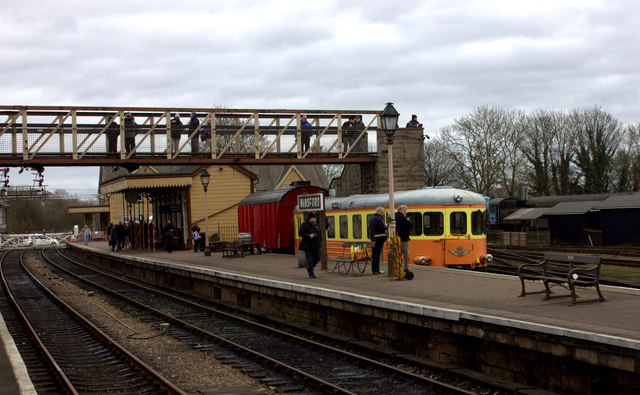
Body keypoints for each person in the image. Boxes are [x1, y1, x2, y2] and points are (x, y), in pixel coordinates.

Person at [298, 213, 321, 278]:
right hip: (308, 245)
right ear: (310, 219)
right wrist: (308, 235)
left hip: (316, 245)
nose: (315, 219)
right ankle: (311, 273)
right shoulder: (304, 225)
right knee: (310, 259)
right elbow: (300, 233)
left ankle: (310, 267)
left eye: (315, 218)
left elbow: (319, 233)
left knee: (318, 257)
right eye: (313, 218)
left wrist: (320, 241)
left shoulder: (316, 224)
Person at [368, 206, 387, 274]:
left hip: (373, 239)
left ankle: (374, 269)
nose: (383, 213)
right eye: (382, 212)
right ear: (378, 212)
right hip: (379, 239)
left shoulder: (372, 219)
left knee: (374, 255)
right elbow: (382, 228)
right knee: (377, 255)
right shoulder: (379, 219)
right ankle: (377, 270)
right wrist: (386, 226)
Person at [395, 205, 412, 272]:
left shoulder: (395, 216)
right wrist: (408, 221)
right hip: (403, 238)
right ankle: (406, 268)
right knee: (406, 254)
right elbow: (409, 226)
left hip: (396, 238)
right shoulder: (401, 217)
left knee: (398, 254)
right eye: (405, 210)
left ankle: (398, 267)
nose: (406, 212)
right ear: (403, 210)